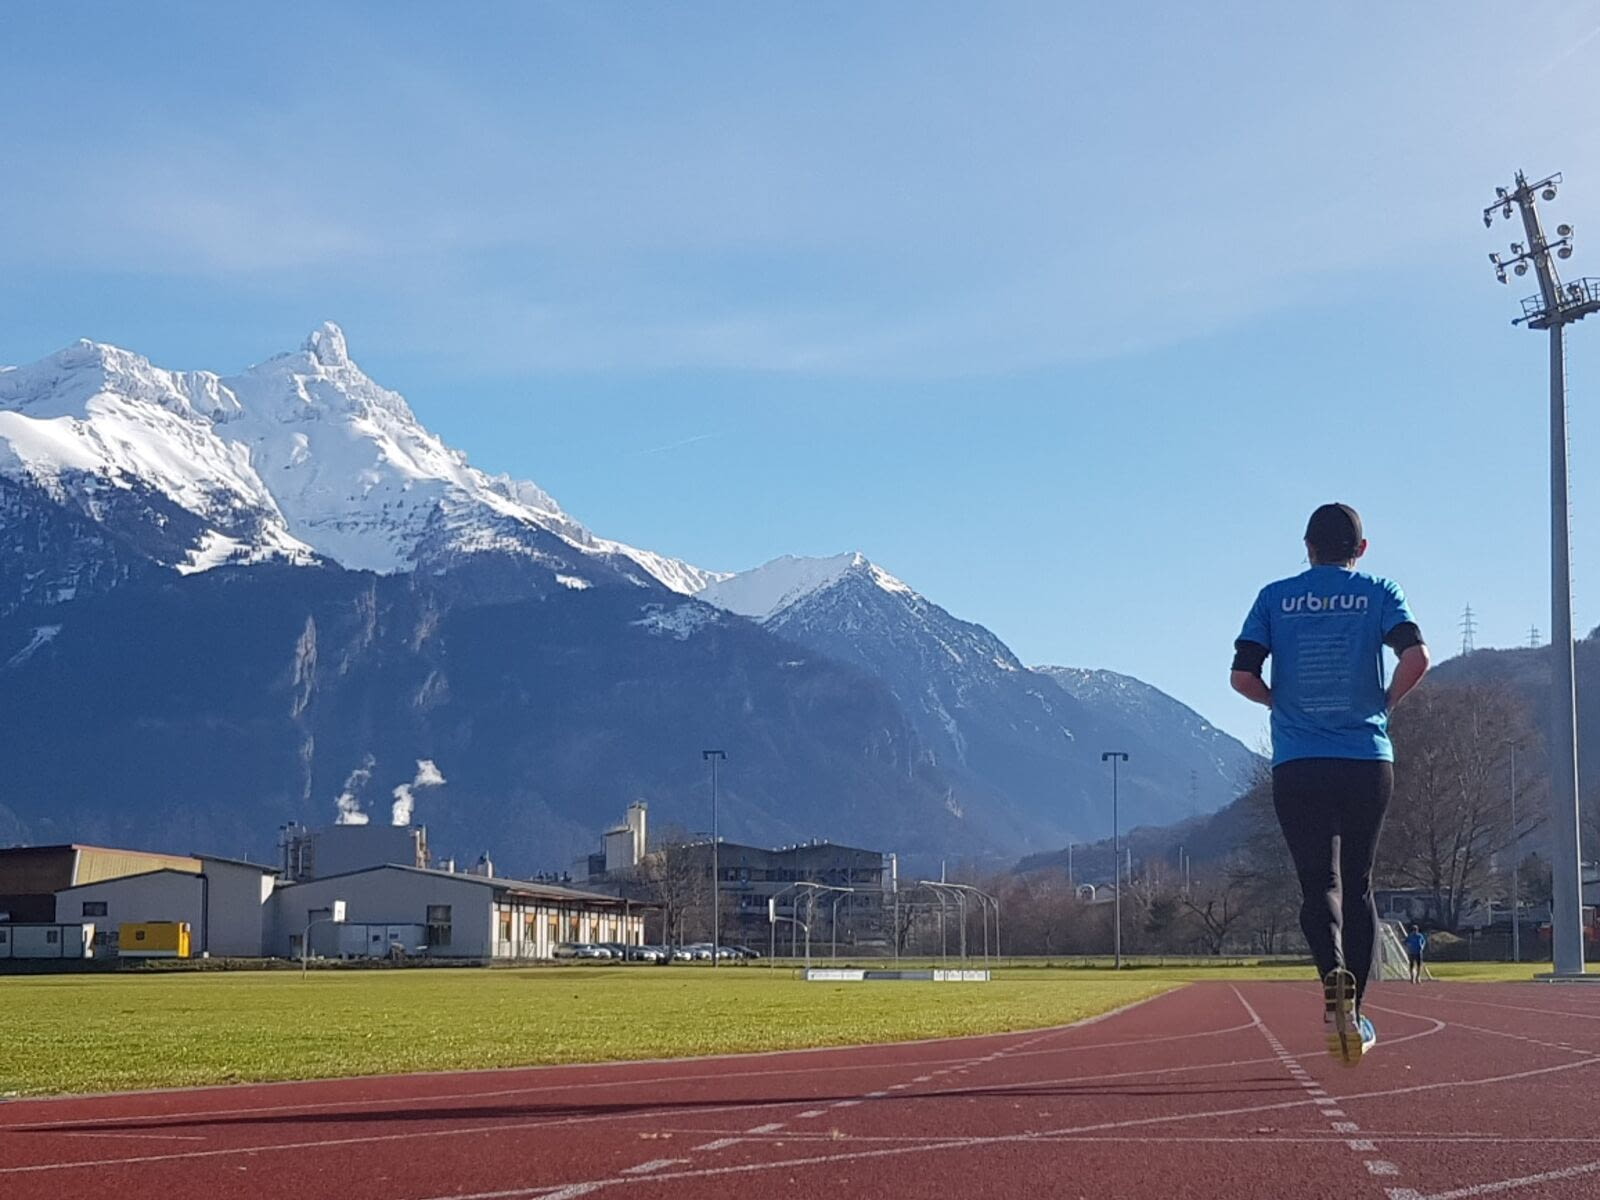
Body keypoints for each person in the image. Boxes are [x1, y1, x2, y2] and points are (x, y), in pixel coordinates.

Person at [1230, 503, 1430, 1066]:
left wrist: (1279, 703)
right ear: (1360, 549)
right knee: (1360, 883)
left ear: (1306, 546)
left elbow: (1243, 675)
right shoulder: (1379, 590)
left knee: (1317, 883)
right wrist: (1386, 702)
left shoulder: (1274, 597)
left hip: (1298, 759)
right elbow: (1416, 657)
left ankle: (1332, 979)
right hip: (1365, 757)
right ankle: (1357, 1010)